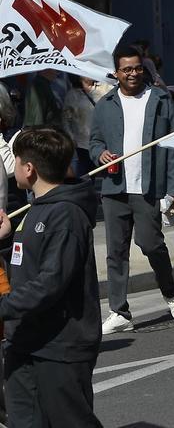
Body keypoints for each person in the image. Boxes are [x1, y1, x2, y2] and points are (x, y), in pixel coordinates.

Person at [0, 128, 102, 427]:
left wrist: (3, 306)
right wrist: (5, 240)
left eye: (16, 160)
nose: (14, 167)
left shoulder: (66, 214)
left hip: (60, 346)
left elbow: (50, 282)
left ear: (28, 169)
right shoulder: (35, 209)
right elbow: (28, 261)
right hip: (24, 341)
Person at [90, 46, 174, 334]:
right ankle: (119, 312)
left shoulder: (159, 99)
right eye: (127, 69)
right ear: (116, 73)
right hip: (115, 188)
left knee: (150, 243)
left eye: (137, 68)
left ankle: (170, 292)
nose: (133, 74)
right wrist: (100, 154)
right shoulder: (105, 104)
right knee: (116, 252)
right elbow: (94, 141)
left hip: (148, 188)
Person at [62, 76, 101, 179]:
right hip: (80, 143)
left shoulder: (104, 88)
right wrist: (70, 137)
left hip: (100, 141)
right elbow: (66, 119)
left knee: (99, 174)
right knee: (83, 176)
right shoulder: (72, 94)